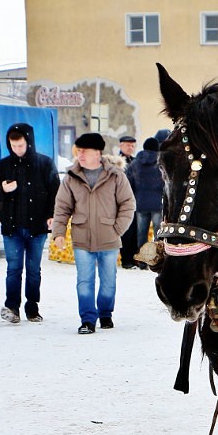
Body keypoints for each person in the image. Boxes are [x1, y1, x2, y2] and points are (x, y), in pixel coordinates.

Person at [51, 132, 136, 334]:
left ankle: (105, 313)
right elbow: (62, 207)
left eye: (84, 151)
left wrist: (117, 229)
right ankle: (88, 320)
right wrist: (59, 232)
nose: (79, 155)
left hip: (109, 238)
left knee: (108, 282)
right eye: (78, 151)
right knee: (84, 281)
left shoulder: (116, 176)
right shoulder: (71, 177)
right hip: (82, 238)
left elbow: (128, 204)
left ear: (97, 153)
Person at [0, 123, 61, 323]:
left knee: (33, 270)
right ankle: (12, 307)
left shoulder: (45, 164)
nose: (17, 150)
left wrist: (51, 215)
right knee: (13, 268)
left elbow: (55, 192)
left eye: (21, 146)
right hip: (12, 228)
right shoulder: (2, 166)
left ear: (29, 143)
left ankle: (32, 307)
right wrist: (3, 190)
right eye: (13, 147)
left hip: (37, 228)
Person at [126, 135, 164, 266]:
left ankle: (142, 262)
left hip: (140, 203)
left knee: (141, 234)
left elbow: (129, 183)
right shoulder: (161, 163)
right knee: (158, 235)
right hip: (158, 204)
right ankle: (157, 261)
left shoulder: (135, 163)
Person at [117, 135, 138, 268]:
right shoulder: (117, 162)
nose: (130, 148)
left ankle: (133, 257)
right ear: (121, 146)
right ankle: (126, 259)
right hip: (122, 200)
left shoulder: (136, 161)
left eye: (132, 145)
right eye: (127, 145)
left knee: (135, 231)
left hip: (135, 199)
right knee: (126, 231)